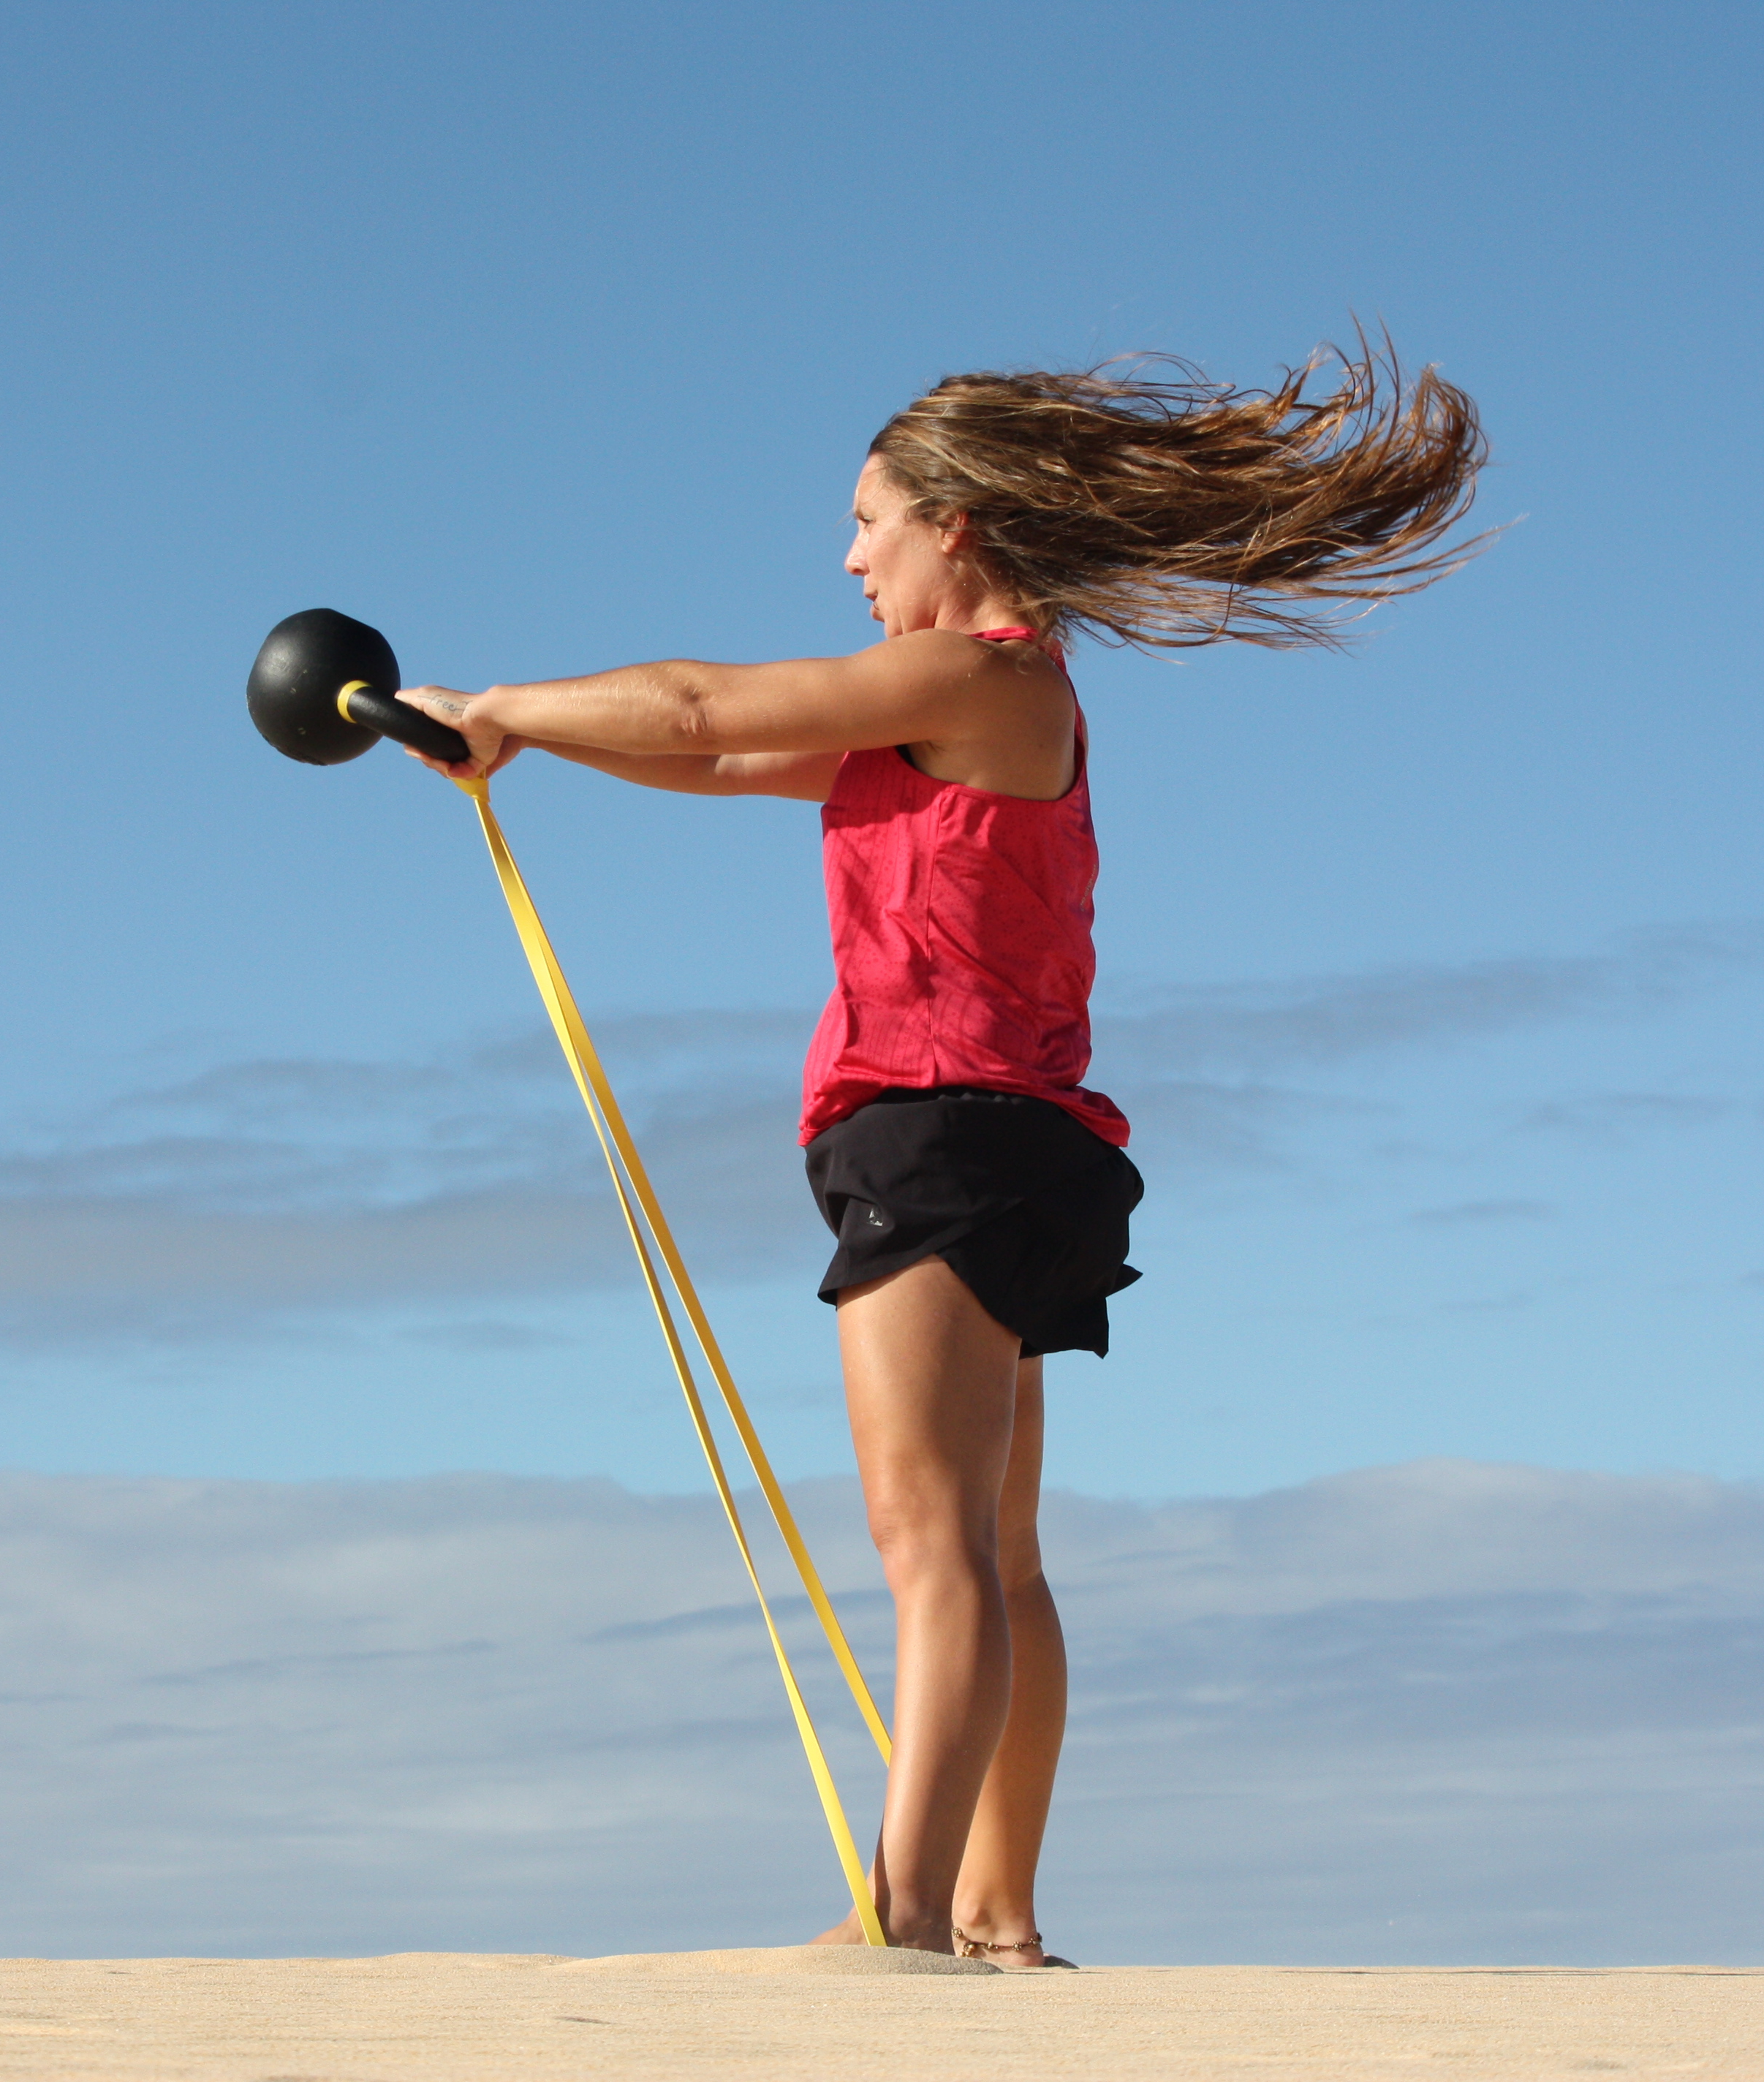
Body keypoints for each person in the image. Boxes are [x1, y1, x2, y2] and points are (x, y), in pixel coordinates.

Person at [399, 344, 1485, 1964]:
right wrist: (527, 748)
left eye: (869, 524)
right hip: (1024, 1145)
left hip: (945, 1135)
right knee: (999, 1553)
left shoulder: (981, 677)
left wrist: (497, 702)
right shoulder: (980, 704)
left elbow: (708, 699)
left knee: (931, 1543)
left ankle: (901, 1912)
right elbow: (719, 753)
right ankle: (996, 1911)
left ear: (957, 524)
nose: (851, 559)